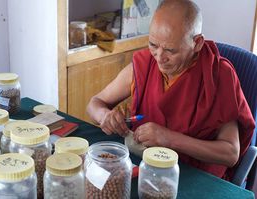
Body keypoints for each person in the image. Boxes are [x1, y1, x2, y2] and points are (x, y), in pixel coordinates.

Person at [86, 0, 255, 180]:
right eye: (153, 45)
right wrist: (105, 116)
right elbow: (94, 104)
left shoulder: (218, 76)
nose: (159, 57)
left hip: (194, 175)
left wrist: (170, 139)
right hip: (146, 166)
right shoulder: (144, 65)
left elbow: (230, 153)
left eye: (170, 50)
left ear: (197, 43)